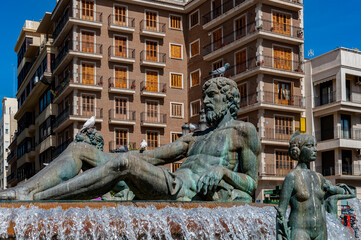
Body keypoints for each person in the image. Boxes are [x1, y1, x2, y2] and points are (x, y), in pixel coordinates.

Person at [0, 77, 261, 202]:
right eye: (205, 97)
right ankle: (24, 191)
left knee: (126, 164)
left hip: (184, 192)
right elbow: (151, 157)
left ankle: (35, 200)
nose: (205, 102)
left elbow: (251, 184)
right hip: (170, 183)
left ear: (229, 100)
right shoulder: (196, 137)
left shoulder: (243, 131)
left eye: (212, 96)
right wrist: (102, 158)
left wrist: (223, 172)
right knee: (81, 147)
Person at [276, 132, 346, 240]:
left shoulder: (319, 177)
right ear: (298, 150)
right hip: (300, 230)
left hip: (320, 231)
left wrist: (332, 189)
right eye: (310, 146)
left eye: (315, 146)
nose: (315, 150)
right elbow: (281, 211)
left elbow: (337, 194)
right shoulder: (292, 177)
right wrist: (280, 235)